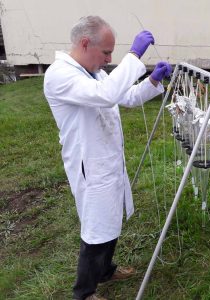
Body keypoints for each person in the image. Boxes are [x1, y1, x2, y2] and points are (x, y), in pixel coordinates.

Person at [43, 16, 172, 300]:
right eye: (106, 53)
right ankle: (84, 292)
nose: (109, 58)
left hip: (108, 161)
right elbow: (106, 95)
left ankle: (106, 271)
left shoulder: (94, 72)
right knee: (95, 229)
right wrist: (134, 55)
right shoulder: (59, 74)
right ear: (85, 43)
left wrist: (152, 80)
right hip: (90, 166)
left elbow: (125, 96)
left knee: (111, 219)